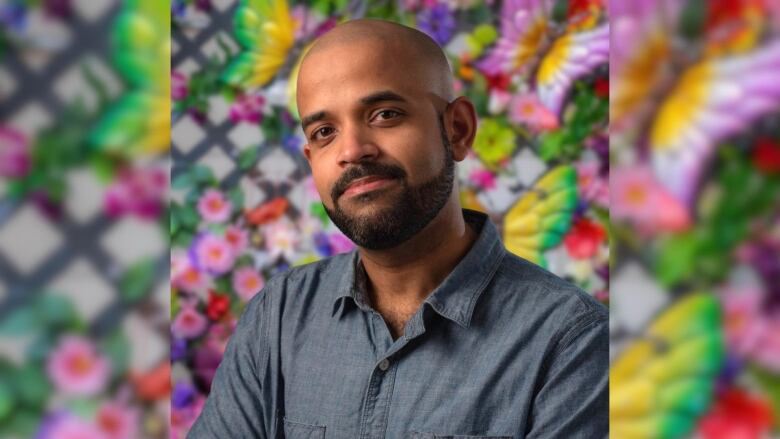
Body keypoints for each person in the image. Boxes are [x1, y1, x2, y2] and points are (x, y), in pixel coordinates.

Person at [188, 18, 608, 438]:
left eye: (385, 114)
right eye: (324, 132)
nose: (352, 150)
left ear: (458, 129)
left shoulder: (570, 340)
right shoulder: (277, 318)